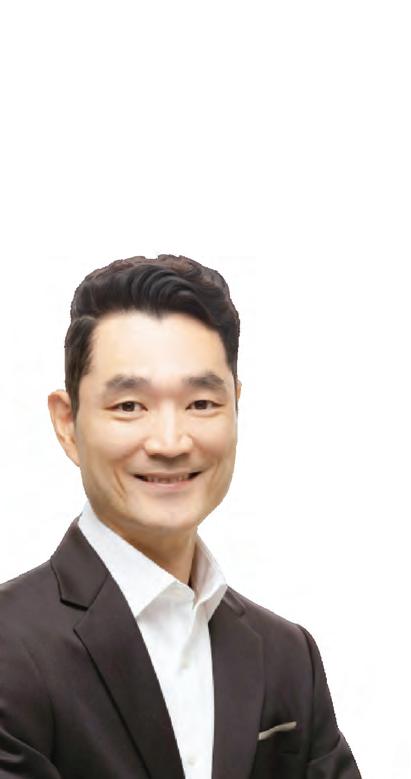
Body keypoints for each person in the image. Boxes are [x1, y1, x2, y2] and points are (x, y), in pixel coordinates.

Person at [0, 255, 361, 778]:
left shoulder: (288, 658)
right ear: (68, 423)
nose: (169, 442)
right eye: (129, 406)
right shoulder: (10, 646)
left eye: (201, 404)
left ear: (236, 407)